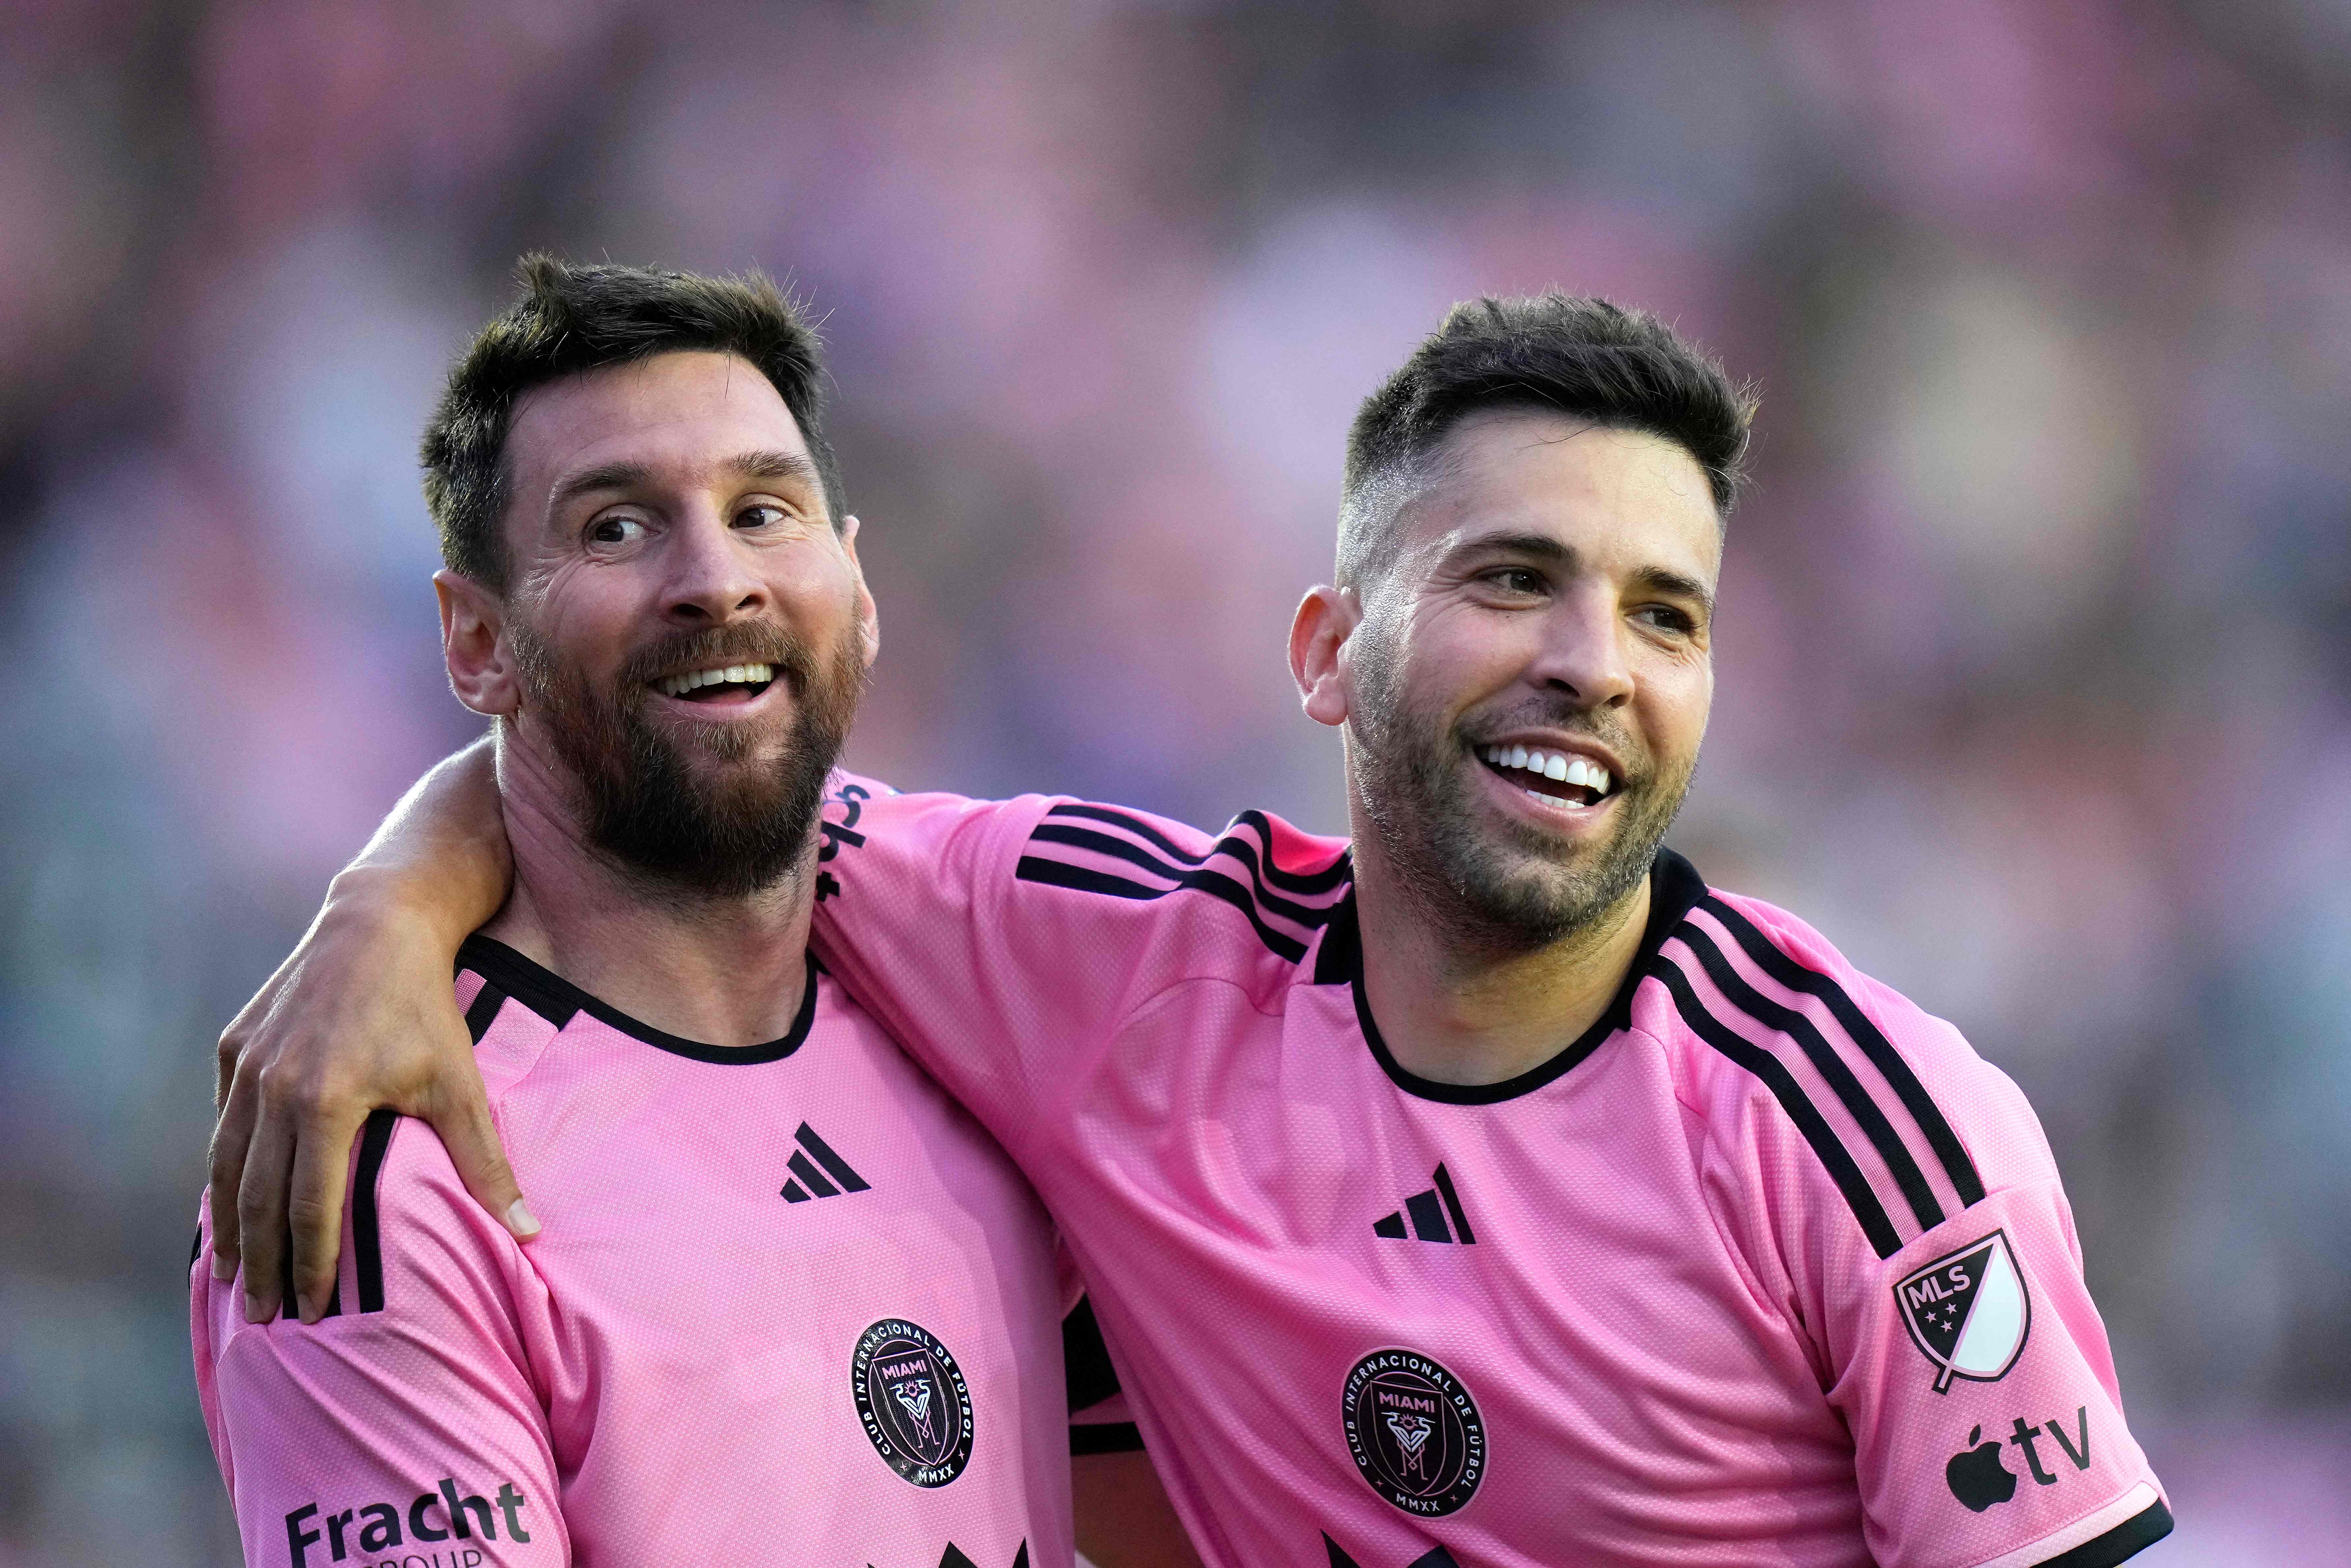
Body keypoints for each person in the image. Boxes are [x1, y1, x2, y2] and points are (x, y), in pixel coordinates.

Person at [213, 292, 2173, 1568]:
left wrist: (384, 898)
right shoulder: (1106, 967)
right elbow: (693, 782)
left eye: (1667, 615)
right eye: (1514, 580)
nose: (1592, 666)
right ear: (1330, 652)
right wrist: (388, 904)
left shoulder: (1861, 1123)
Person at [189, 259, 1195, 1568]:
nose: (714, 578)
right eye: (616, 526)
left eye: (763, 508)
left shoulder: (993, 998)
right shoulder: (388, 1166)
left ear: (857, 583)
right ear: (476, 641)